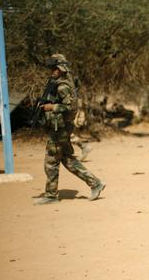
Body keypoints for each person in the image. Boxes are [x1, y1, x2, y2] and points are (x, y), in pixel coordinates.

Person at [34, 54, 105, 205]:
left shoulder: (63, 86)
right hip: (59, 128)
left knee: (51, 160)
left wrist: (52, 107)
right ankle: (95, 183)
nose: (51, 71)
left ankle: (51, 195)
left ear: (59, 69)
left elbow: (71, 106)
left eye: (53, 68)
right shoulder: (59, 82)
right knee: (67, 160)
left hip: (60, 129)